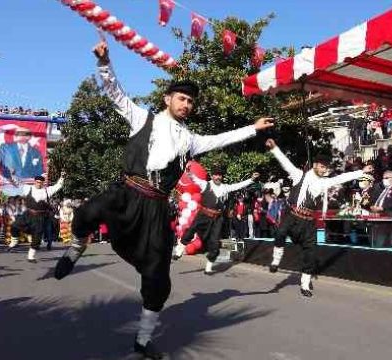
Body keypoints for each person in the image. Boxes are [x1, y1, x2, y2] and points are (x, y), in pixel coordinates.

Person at [53, 38, 274, 359]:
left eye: (191, 102)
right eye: (182, 98)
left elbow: (221, 139)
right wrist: (104, 62)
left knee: (158, 279)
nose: (187, 105)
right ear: (167, 98)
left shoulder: (191, 139)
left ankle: (142, 342)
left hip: (155, 207)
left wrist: (253, 129)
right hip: (126, 191)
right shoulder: (143, 118)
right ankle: (76, 248)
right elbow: (115, 93)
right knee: (87, 212)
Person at [265, 138, 373, 297]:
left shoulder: (325, 182)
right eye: (322, 167)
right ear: (315, 165)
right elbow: (285, 162)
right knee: (280, 233)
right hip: (292, 216)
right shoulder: (299, 175)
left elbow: (341, 178)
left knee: (311, 252)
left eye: (326, 168)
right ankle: (276, 261)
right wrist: (274, 148)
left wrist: (361, 172)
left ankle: (305, 284)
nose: (324, 170)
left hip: (308, 222)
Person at [173, 168, 259, 275]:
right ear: (212, 176)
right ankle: (180, 250)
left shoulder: (225, 187)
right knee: (190, 230)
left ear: (221, 177)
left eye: (219, 175)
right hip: (203, 215)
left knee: (214, 242)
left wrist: (251, 179)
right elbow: (194, 179)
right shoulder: (205, 184)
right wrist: (188, 172)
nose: (218, 177)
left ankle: (208, 267)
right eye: (215, 175)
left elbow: (238, 185)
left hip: (217, 218)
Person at [7, 174, 64, 261]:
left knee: (37, 236)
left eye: (41, 182)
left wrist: (62, 177)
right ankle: (14, 241)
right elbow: (18, 182)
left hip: (40, 217)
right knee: (14, 226)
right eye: (37, 182)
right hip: (28, 214)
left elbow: (58, 186)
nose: (39, 184)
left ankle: (31, 256)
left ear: (43, 183)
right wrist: (13, 175)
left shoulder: (47, 191)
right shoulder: (28, 188)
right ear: (34, 182)